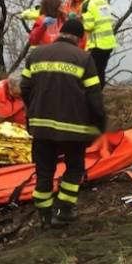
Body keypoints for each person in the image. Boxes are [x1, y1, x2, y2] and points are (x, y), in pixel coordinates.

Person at [21, 19, 106, 229]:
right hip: (73, 128)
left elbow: (24, 87)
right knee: (74, 168)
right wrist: (99, 123)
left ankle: (44, 216)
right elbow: (94, 97)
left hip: (41, 127)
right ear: (80, 38)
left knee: (44, 171)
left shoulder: (35, 54)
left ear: (61, 32)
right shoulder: (84, 58)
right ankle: (64, 210)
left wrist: (35, 110)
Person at [81, 0, 117, 88]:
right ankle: (99, 94)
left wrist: (80, 21)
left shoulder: (87, 4)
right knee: (101, 70)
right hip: (109, 42)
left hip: (96, 44)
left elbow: (89, 25)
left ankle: (93, 96)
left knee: (92, 73)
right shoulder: (102, 1)